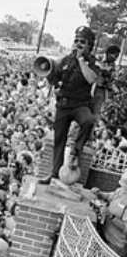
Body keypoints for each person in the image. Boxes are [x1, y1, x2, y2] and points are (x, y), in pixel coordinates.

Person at [38, 26, 100, 185]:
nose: (78, 44)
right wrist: (49, 74)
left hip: (81, 104)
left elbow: (91, 79)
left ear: (89, 45)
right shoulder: (65, 60)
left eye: (82, 42)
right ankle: (54, 174)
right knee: (59, 139)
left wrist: (80, 60)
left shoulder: (92, 62)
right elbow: (55, 80)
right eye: (76, 41)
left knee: (88, 121)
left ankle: (76, 150)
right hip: (64, 104)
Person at [93, 44, 120, 118]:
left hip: (102, 91)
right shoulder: (98, 58)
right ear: (108, 53)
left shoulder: (113, 65)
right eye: (114, 55)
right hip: (92, 88)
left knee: (95, 115)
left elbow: (111, 80)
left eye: (117, 56)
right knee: (84, 113)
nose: (115, 58)